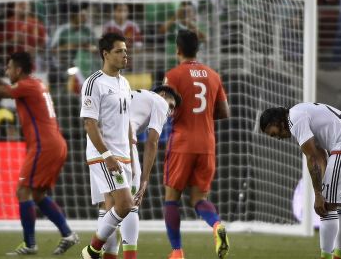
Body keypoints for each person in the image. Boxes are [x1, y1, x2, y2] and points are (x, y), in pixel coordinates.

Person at [0, 50, 79, 256]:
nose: (6, 70)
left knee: (23, 191)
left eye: (9, 67)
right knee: (37, 194)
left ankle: (30, 244)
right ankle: (67, 234)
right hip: (55, 143)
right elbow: (6, 86)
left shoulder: (26, 86)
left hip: (44, 145)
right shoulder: (33, 83)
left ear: (18, 70)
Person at [259, 103, 341, 259]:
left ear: (276, 122)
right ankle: (339, 256)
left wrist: (318, 194)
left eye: (273, 133)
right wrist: (324, 185)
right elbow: (321, 155)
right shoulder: (301, 111)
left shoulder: (294, 120)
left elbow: (312, 158)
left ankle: (327, 257)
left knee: (327, 207)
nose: (277, 138)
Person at [163, 29, 230, 259]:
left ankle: (177, 251)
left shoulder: (173, 75)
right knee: (199, 199)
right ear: (197, 49)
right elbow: (224, 111)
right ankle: (216, 225)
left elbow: (167, 108)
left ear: (178, 49)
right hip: (207, 143)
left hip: (182, 142)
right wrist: (201, 116)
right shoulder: (213, 75)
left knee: (172, 198)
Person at [95, 86, 181, 259]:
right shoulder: (159, 101)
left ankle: (103, 254)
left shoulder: (135, 96)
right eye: (171, 106)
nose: (170, 112)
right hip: (121, 143)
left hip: (99, 142)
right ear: (163, 95)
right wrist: (144, 178)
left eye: (172, 110)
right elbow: (152, 141)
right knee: (131, 205)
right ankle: (111, 253)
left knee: (108, 206)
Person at [79, 32, 134, 259]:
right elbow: (90, 124)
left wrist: (131, 148)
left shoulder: (124, 82)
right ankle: (92, 250)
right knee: (125, 205)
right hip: (104, 156)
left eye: (126, 51)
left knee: (111, 209)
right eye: (119, 51)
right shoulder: (93, 83)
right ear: (105, 54)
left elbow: (126, 119)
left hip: (123, 155)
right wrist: (107, 155)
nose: (125, 55)